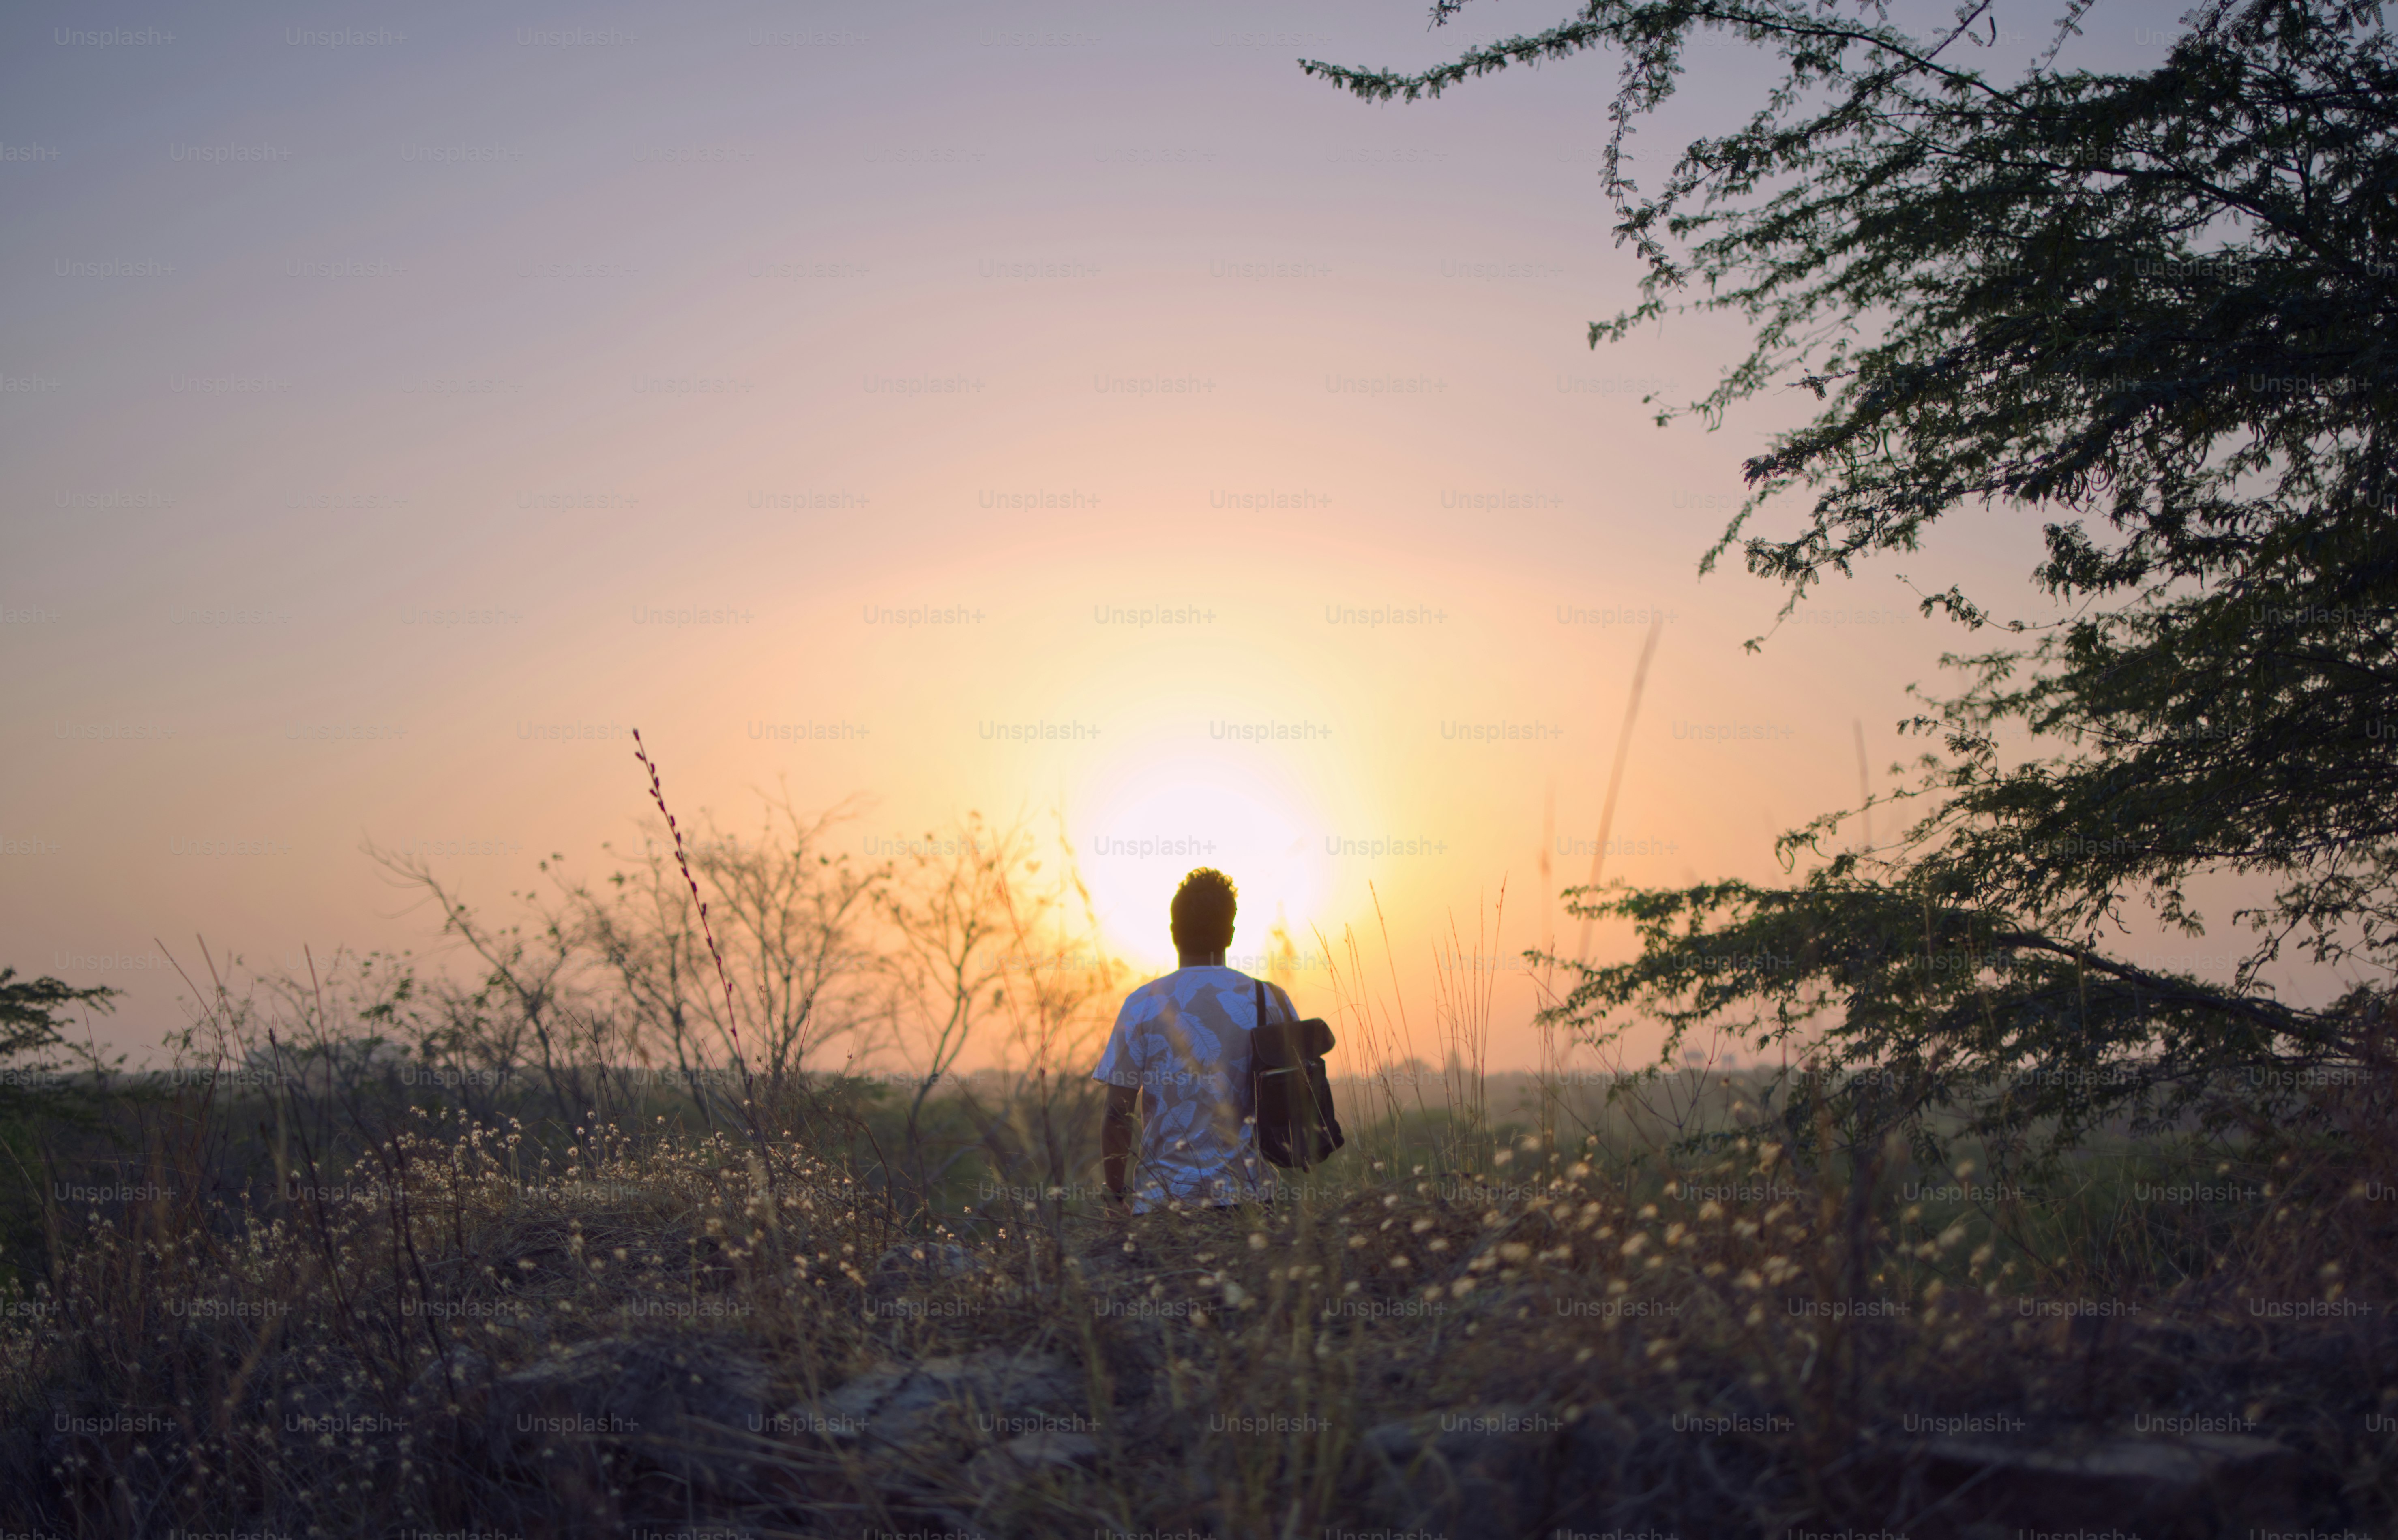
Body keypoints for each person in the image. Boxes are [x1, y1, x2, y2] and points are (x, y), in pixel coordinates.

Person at [1093, 867, 1295, 1214]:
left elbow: (1117, 1112)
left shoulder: (1142, 1004)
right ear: (1229, 934)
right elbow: (1299, 1099)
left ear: (1174, 933)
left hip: (1163, 1204)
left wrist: (1115, 1198)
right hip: (1251, 1202)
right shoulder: (1269, 1000)